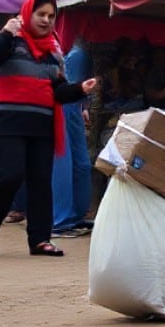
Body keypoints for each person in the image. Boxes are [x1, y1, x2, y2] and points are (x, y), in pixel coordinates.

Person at [0, 0, 96, 258]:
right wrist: (7, 32)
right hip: (7, 122)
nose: (46, 20)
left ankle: (40, 239)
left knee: (41, 182)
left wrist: (79, 89)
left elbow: (58, 91)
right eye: (40, 14)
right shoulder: (10, 40)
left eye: (51, 16)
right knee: (9, 175)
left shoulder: (54, 50)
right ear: (27, 13)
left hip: (41, 125)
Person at [51, 35, 94, 237]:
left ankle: (75, 215)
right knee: (63, 164)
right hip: (63, 106)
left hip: (73, 106)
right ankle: (61, 220)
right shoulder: (75, 53)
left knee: (81, 165)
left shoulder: (78, 52)